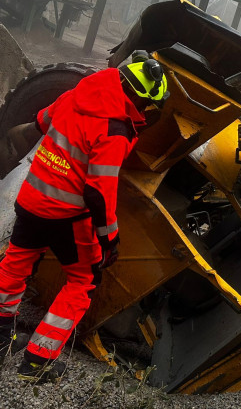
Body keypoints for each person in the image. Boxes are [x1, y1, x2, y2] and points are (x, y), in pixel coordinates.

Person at [0, 52, 167, 383]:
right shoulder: (116, 129)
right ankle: (38, 362)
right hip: (63, 215)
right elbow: (97, 191)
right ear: (142, 99)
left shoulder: (81, 92)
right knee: (83, 281)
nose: (147, 113)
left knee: (16, 262)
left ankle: (1, 336)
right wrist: (109, 238)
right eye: (148, 106)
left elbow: (42, 123)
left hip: (32, 198)